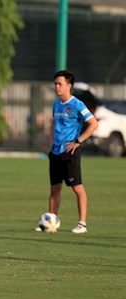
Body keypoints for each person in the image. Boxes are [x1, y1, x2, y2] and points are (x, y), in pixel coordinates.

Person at [38, 70, 98, 234]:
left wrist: (78, 141)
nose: (56, 86)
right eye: (55, 83)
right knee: (54, 188)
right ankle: (51, 221)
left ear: (69, 86)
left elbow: (94, 124)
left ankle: (82, 224)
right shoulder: (56, 103)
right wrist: (51, 142)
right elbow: (53, 124)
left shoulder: (77, 104)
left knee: (77, 187)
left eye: (60, 84)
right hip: (56, 152)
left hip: (70, 152)